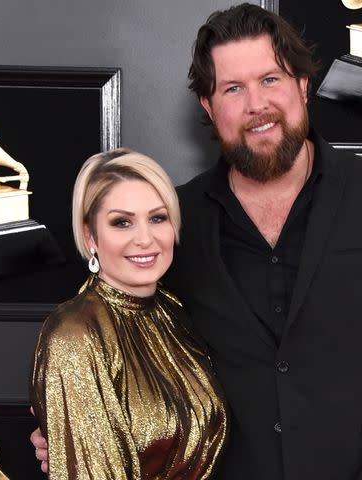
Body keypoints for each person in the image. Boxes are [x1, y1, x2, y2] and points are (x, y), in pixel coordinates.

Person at [33, 4, 362, 479]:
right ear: (209, 107)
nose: (256, 104)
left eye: (270, 79)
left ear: (302, 86)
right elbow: (129, 334)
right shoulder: (176, 218)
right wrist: (74, 423)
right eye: (234, 88)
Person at [29, 148, 228, 479]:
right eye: (122, 222)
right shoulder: (73, 334)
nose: (145, 238)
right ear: (90, 234)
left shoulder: (172, 310)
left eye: (157, 218)